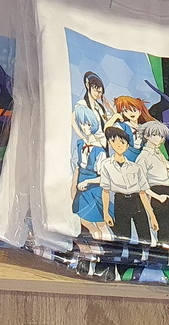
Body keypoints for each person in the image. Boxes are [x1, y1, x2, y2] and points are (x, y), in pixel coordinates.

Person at [98, 125, 157, 245]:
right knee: (123, 238)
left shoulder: (136, 167)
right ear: (109, 143)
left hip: (137, 202)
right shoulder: (106, 165)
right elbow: (105, 191)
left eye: (122, 142)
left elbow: (143, 193)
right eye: (113, 141)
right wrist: (106, 213)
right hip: (120, 202)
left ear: (127, 145)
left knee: (145, 238)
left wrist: (152, 216)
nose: (118, 145)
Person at [74, 72, 112, 239]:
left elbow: (107, 126)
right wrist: (85, 139)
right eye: (96, 89)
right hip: (90, 147)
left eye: (101, 91)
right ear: (88, 86)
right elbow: (75, 121)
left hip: (102, 148)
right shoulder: (82, 106)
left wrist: (111, 110)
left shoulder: (100, 107)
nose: (98, 93)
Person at [136, 120, 169, 248]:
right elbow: (141, 185)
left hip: (167, 191)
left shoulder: (158, 153)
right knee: (162, 230)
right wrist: (157, 197)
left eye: (162, 136)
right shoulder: (143, 157)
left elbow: (165, 165)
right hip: (155, 192)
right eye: (155, 135)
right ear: (146, 136)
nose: (160, 139)